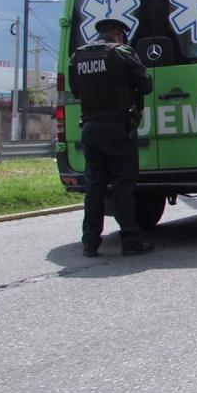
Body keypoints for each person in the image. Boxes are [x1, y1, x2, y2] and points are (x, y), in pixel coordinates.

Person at [68, 18, 154, 256]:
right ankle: (131, 241)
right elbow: (145, 86)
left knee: (94, 188)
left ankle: (90, 243)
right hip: (117, 129)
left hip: (90, 128)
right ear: (119, 36)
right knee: (123, 187)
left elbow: (75, 90)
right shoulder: (123, 53)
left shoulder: (79, 56)